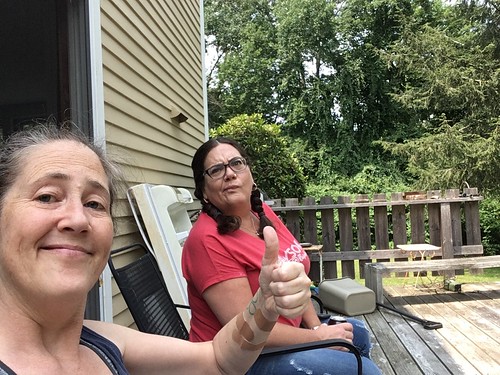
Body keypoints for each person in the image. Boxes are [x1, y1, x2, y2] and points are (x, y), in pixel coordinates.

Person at [0, 124, 313, 375]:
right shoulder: (206, 239)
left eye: (95, 203)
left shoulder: (103, 343)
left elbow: (219, 361)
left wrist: (265, 305)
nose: (77, 219)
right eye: (46, 197)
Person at [182, 137, 382, 375]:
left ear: (250, 174)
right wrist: (317, 337)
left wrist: (319, 329)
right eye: (216, 170)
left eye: (236, 163)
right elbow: (246, 332)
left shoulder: (261, 213)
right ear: (203, 191)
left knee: (357, 333)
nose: (229, 174)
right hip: (242, 360)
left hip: (281, 339)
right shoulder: (207, 240)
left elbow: (293, 274)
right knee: (365, 371)